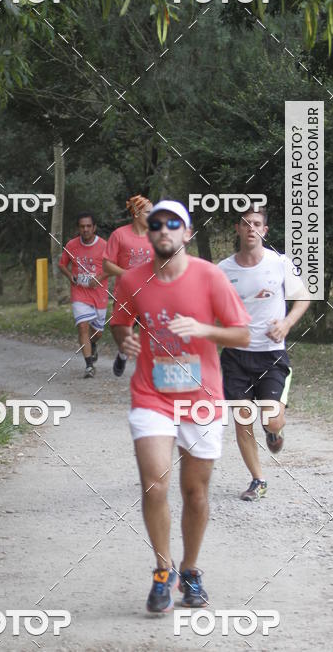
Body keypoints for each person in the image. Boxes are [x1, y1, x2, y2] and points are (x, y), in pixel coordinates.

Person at [111, 200, 250, 613]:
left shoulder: (210, 277)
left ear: (187, 233)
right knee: (155, 483)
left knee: (195, 492)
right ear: (148, 232)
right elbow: (119, 321)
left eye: (174, 225)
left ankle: (190, 570)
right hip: (151, 395)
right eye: (156, 225)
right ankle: (161, 570)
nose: (164, 231)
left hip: (202, 399)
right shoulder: (132, 280)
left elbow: (241, 334)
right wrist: (125, 340)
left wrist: (203, 328)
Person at [218, 205, 310, 501]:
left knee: (271, 420)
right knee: (242, 417)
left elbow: (303, 297)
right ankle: (258, 480)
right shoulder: (223, 270)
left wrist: (285, 323)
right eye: (245, 223)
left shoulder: (279, 263)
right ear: (238, 229)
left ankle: (274, 432)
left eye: (256, 223)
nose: (251, 228)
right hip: (235, 356)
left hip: (271, 355)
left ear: (264, 230)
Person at [103, 194, 153, 377]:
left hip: (151, 294)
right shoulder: (119, 235)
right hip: (125, 294)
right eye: (149, 212)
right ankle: (123, 353)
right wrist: (128, 274)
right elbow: (106, 264)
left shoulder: (156, 235)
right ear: (137, 213)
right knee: (120, 329)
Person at [58, 212, 108, 378]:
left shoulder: (104, 246)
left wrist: (99, 278)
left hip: (99, 294)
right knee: (82, 327)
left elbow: (112, 268)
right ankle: (89, 366)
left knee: (98, 332)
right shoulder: (72, 245)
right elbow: (62, 264)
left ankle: (92, 344)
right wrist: (69, 276)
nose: (85, 229)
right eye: (82, 226)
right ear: (78, 228)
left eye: (88, 226)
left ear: (94, 228)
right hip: (79, 293)